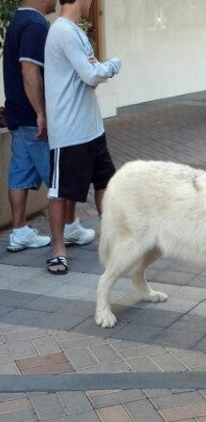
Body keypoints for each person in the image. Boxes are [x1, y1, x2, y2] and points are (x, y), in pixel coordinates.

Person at [2, 0, 95, 254]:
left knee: (20, 174)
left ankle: (20, 232)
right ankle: (69, 228)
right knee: (60, 177)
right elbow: (29, 70)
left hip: (18, 116)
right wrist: (42, 113)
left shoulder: (19, 20)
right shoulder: (35, 25)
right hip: (36, 120)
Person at [44, 0, 121, 275]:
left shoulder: (76, 31)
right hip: (69, 132)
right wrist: (112, 65)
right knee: (60, 193)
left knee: (106, 184)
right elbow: (91, 74)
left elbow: (91, 69)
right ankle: (58, 251)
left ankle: (113, 243)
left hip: (92, 129)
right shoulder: (63, 31)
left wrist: (99, 67)